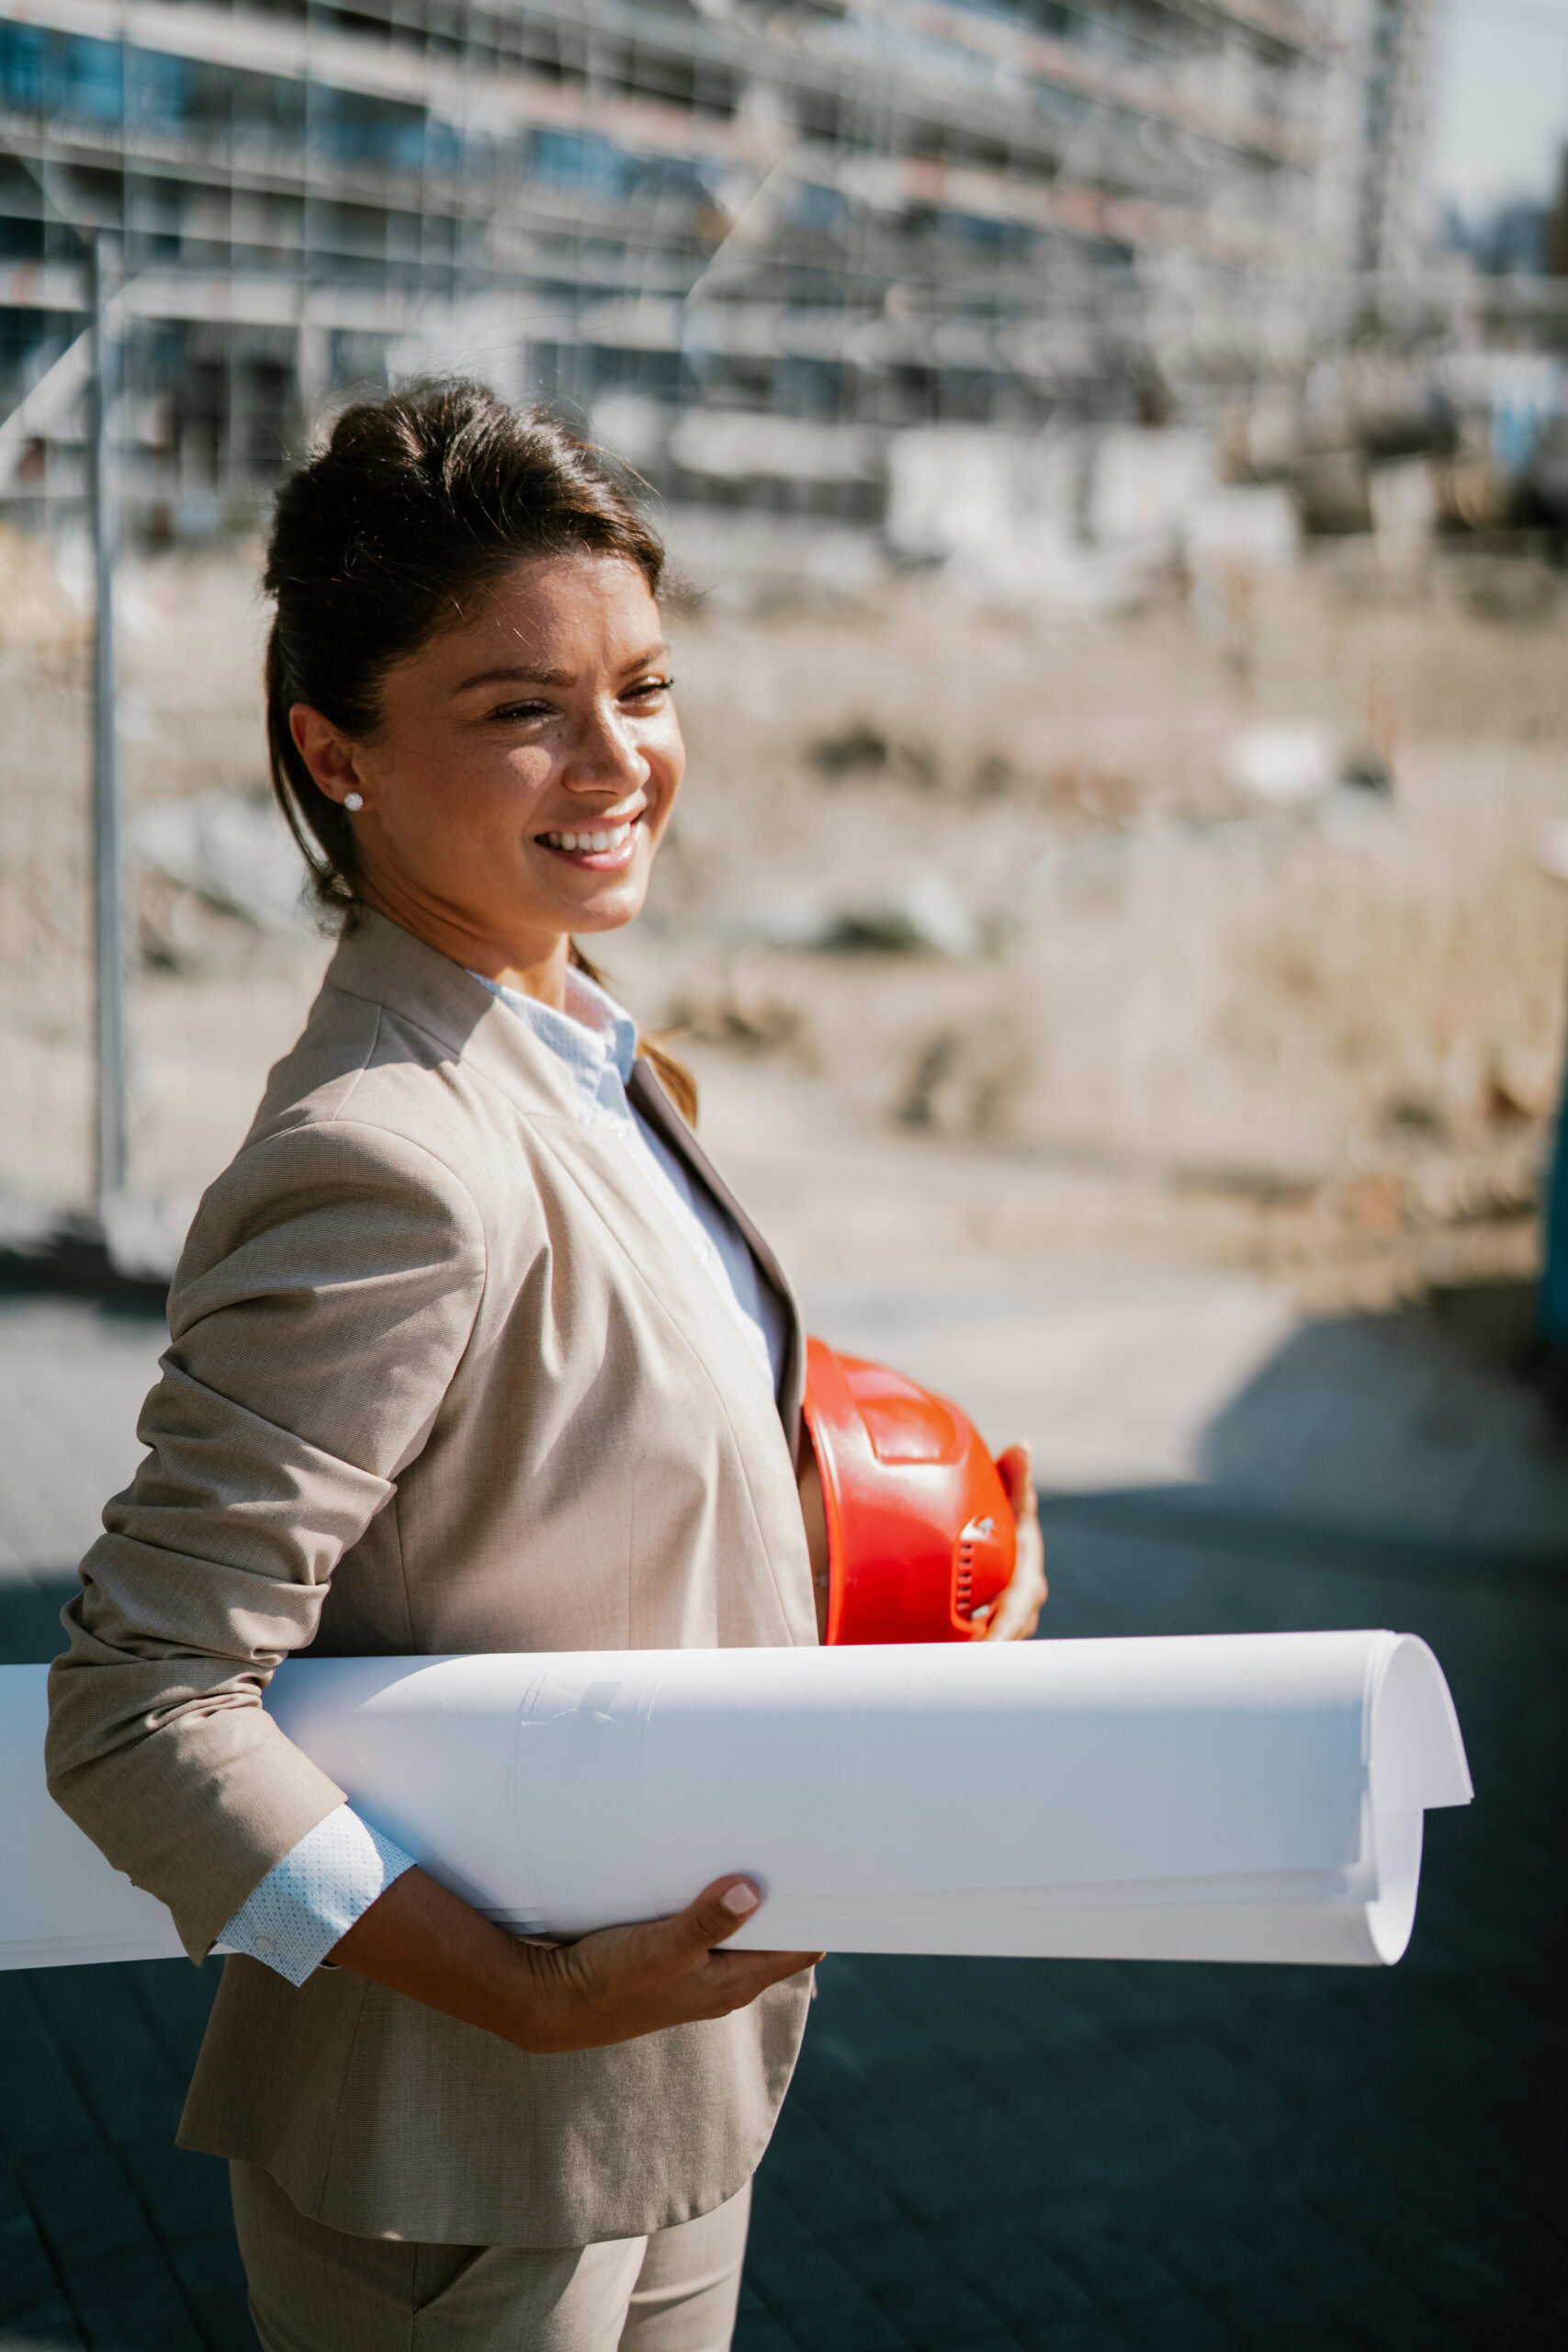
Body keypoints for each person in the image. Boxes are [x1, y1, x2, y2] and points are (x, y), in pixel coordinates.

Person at [46, 382, 1046, 2352]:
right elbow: (142, 1702)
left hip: (664, 2091)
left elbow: (575, 1477)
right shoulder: (387, 1150)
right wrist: (526, 1991)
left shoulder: (568, 1031)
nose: (621, 761)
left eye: (645, 685)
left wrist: (899, 1566)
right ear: (334, 754)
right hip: (458, 2153)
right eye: (521, 708)